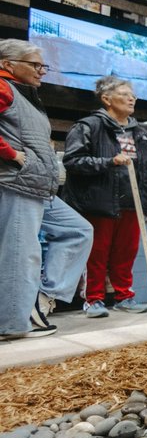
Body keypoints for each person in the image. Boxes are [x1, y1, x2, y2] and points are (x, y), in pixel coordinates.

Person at [0, 40, 92, 339]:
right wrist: (11, 154)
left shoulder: (26, 95)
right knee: (20, 254)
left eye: (44, 65)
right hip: (16, 184)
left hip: (37, 187)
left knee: (78, 230)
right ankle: (11, 325)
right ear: (8, 65)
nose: (42, 71)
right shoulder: (4, 88)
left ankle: (40, 301)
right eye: (35, 64)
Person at [63, 76, 147, 317]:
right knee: (96, 253)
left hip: (132, 204)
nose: (132, 99)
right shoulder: (88, 126)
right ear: (106, 99)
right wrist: (108, 162)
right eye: (125, 94)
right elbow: (72, 161)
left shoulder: (140, 133)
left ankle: (124, 296)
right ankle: (93, 299)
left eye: (133, 95)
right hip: (98, 202)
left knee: (125, 253)